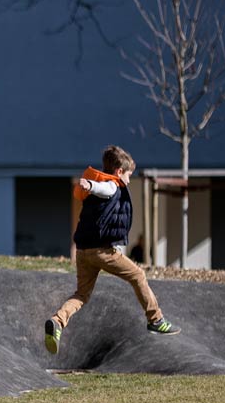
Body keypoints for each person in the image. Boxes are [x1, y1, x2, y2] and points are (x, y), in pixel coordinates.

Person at [44, 145, 179, 354]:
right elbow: (104, 188)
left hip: (83, 251)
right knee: (138, 275)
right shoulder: (111, 186)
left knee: (81, 295)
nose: (128, 179)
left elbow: (99, 190)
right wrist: (90, 184)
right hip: (102, 251)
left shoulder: (103, 187)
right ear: (118, 172)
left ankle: (58, 321)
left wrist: (89, 184)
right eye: (128, 175)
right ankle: (156, 319)